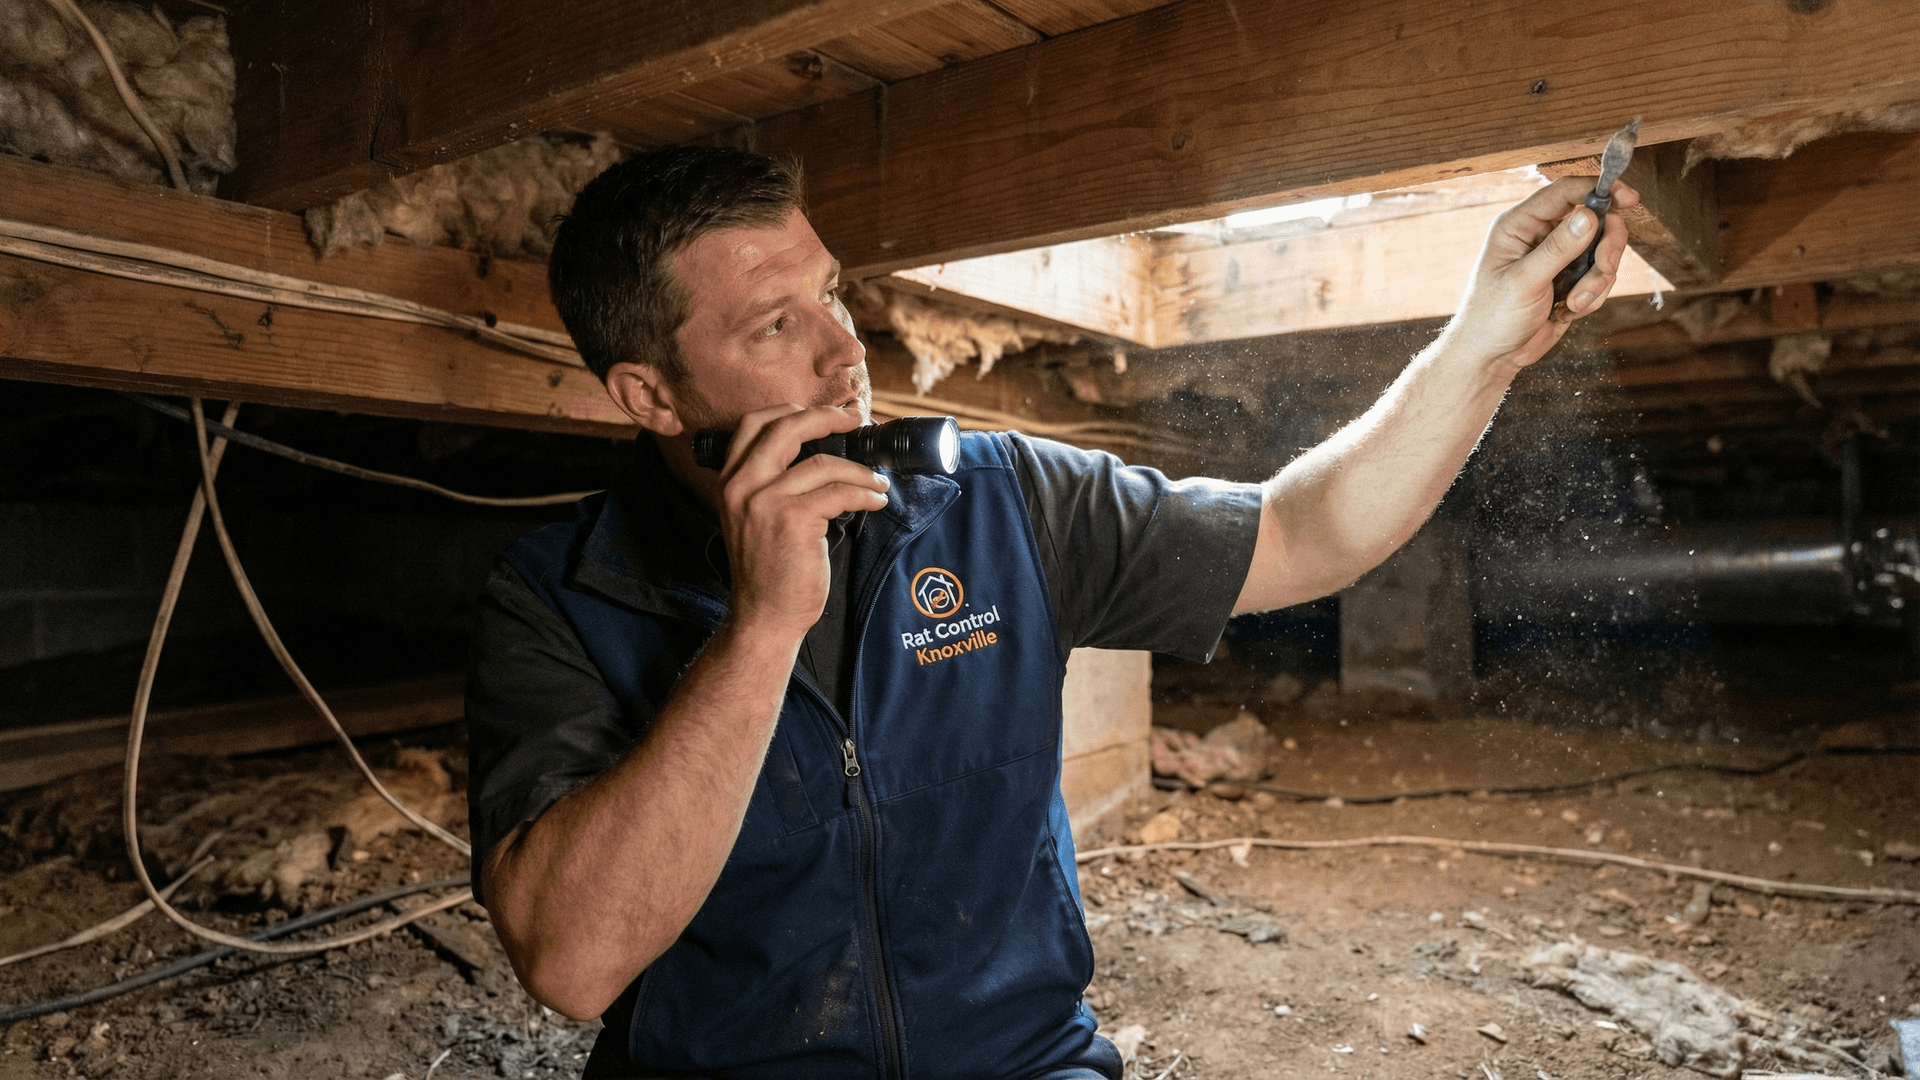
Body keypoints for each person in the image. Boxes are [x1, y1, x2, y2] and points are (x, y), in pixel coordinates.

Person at [465, 146, 1637, 1079]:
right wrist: (761, 628)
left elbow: (1301, 532)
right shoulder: (559, 594)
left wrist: (1484, 343)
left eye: (830, 296)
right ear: (652, 396)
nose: (844, 352)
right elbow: (575, 963)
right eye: (774, 325)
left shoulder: (1001, 501)